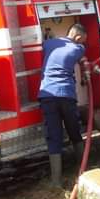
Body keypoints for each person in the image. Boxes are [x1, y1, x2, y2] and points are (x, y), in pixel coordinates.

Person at [39, 23, 88, 187]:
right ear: (78, 37)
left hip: (46, 95)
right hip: (66, 94)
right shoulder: (78, 49)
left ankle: (56, 181)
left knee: (54, 136)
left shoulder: (48, 44)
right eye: (83, 40)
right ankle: (83, 169)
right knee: (74, 130)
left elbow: (48, 46)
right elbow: (80, 56)